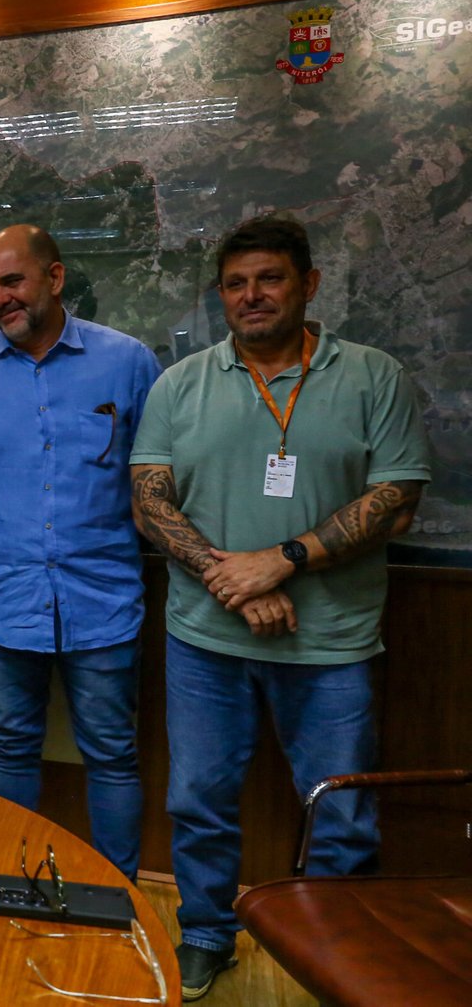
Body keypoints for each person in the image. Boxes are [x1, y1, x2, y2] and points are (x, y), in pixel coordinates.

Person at [130, 215, 430, 1001]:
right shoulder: (179, 383)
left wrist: (282, 561)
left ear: (308, 285)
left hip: (330, 643)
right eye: (235, 283)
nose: (251, 295)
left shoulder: (373, 376)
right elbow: (149, 500)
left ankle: (340, 950)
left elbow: (397, 496)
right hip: (206, 637)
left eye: (269, 279)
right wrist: (231, 577)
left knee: (342, 812)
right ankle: (203, 932)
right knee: (196, 798)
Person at [0, 224, 161, 880]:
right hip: (2, 598)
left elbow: (154, 469)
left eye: (12, 281)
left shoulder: (128, 363)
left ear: (55, 279)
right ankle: (18, 885)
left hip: (104, 597)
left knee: (113, 753)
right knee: (9, 746)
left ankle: (120, 899)